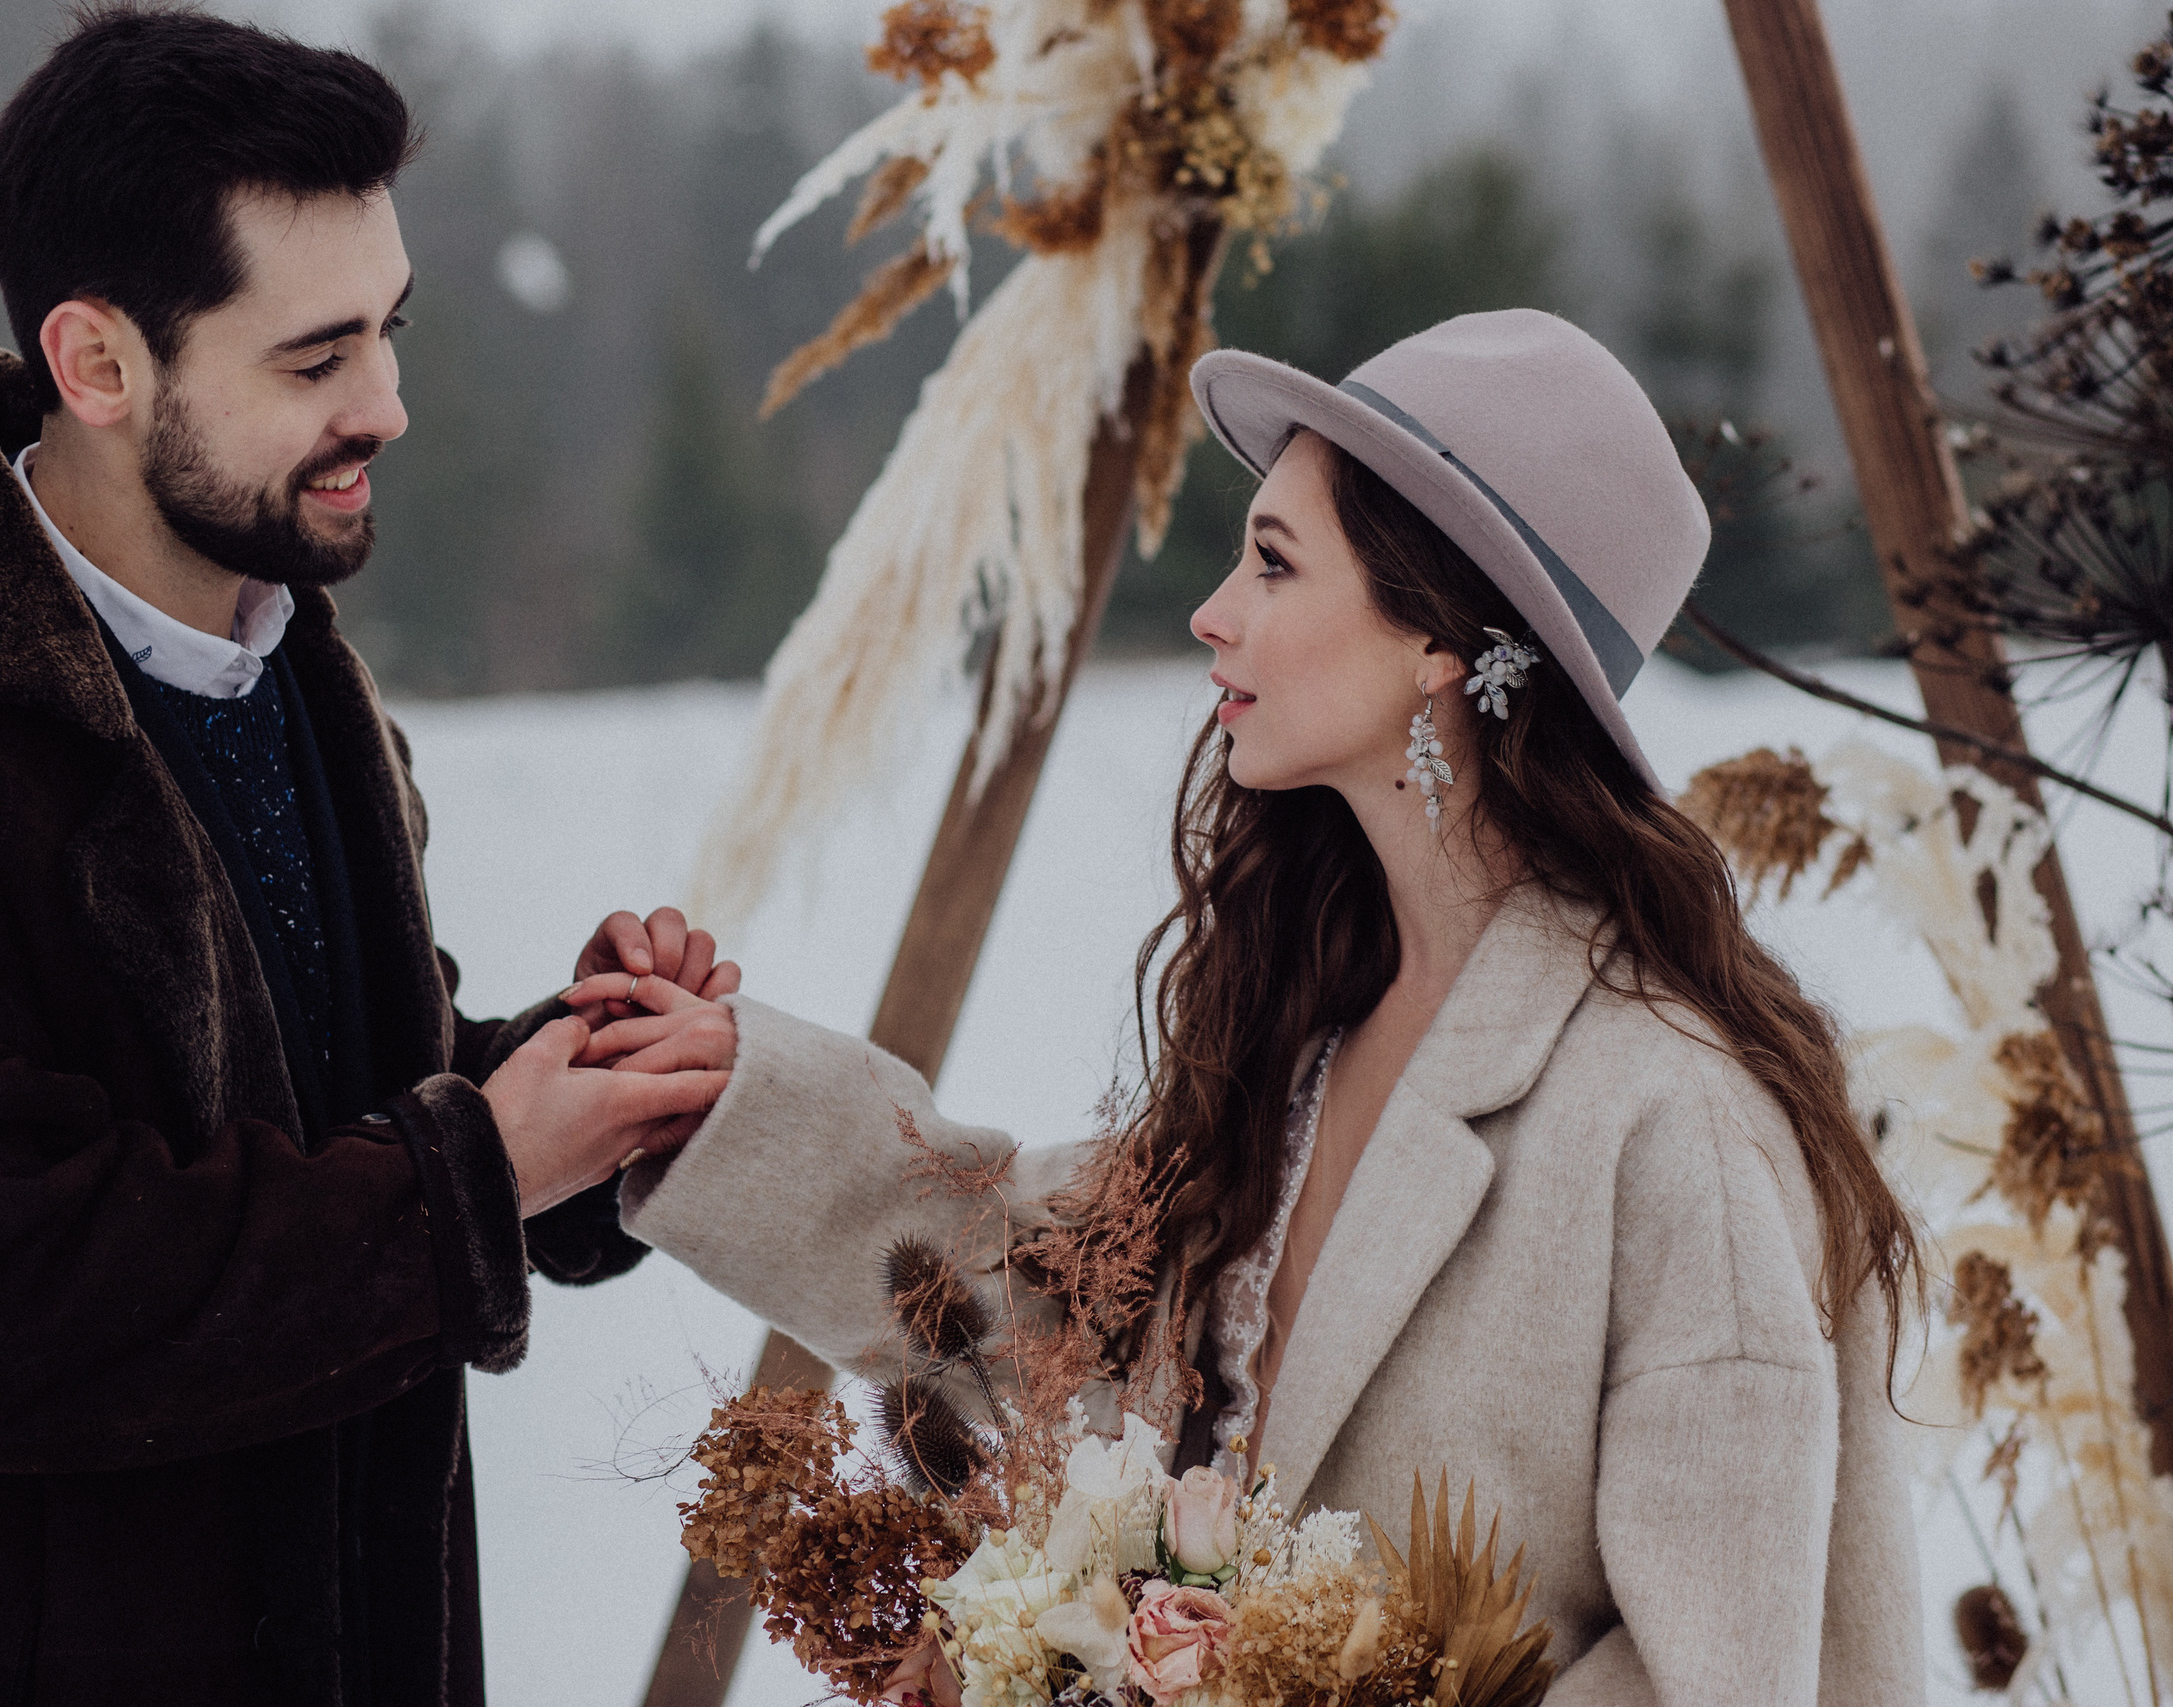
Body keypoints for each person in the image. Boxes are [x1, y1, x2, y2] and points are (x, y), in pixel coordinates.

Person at [568, 310, 1926, 1702]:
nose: (1214, 608)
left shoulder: (1675, 1119)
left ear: (1441, 643)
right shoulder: (1316, 1024)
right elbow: (1042, 1301)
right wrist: (717, 1096)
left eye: (1275, 562)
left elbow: (1720, 1674)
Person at [0, 9, 731, 1703]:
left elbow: (331, 1111)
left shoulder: (287, 667)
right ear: (96, 365)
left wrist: (578, 1083)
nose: (390, 405)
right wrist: (472, 1175)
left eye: (391, 330)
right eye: (314, 360)